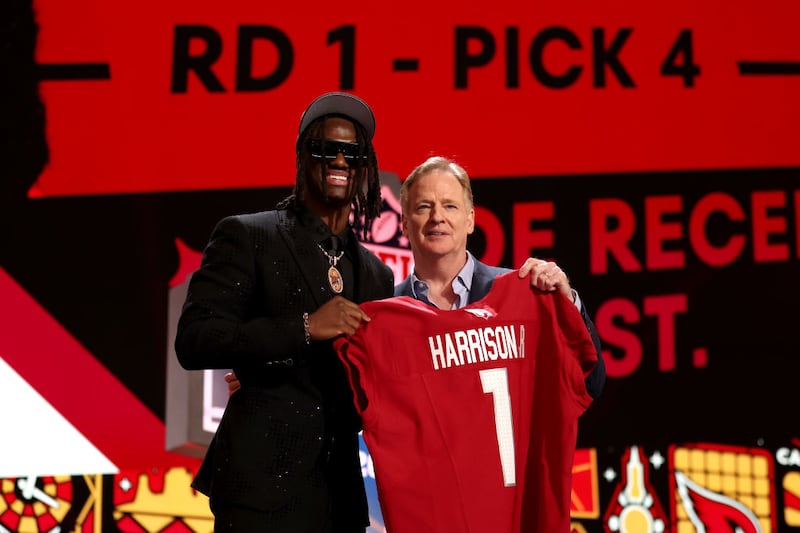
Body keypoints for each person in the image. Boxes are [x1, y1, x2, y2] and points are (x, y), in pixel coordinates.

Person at [174, 92, 394, 532]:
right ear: (302, 157)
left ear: (364, 165)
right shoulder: (249, 235)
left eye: (352, 152)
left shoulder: (376, 274)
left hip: (342, 501)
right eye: (325, 147)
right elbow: (195, 338)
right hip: (260, 492)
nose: (339, 159)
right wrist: (307, 328)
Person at [394, 156, 605, 397]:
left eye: (450, 206)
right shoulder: (385, 313)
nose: (437, 217)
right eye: (423, 206)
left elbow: (589, 383)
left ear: (470, 220)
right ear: (405, 224)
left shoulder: (521, 297)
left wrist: (569, 307)